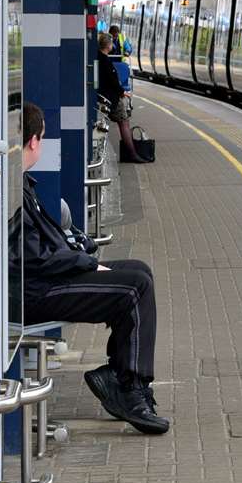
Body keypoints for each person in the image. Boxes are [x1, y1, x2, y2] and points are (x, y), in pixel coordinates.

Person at [15, 103, 169, 434]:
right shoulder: (13, 190)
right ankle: (130, 389)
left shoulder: (19, 184)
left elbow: (41, 245)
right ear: (34, 142)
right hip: (38, 290)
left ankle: (120, 374)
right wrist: (86, 263)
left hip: (43, 280)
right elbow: (34, 258)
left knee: (139, 270)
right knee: (133, 288)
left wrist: (77, 249)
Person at [97, 33, 148, 164]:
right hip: (110, 98)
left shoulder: (98, 58)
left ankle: (131, 153)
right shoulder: (105, 61)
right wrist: (122, 92)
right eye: (111, 43)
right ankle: (131, 154)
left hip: (103, 96)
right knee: (124, 122)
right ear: (108, 45)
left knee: (122, 122)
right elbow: (112, 81)